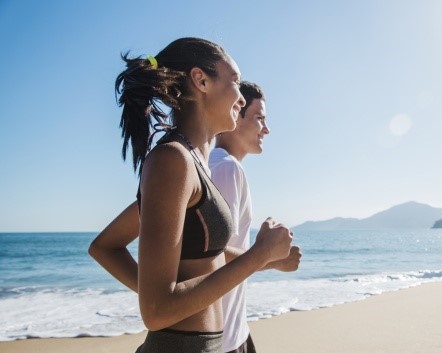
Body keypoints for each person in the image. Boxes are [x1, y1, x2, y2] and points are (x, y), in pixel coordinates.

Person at [89, 37, 293, 353]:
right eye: (235, 82)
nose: (240, 99)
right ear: (201, 80)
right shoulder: (173, 160)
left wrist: (269, 258)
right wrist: (259, 255)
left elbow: (107, 246)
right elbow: (156, 312)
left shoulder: (193, 164)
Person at [209, 81, 301, 353]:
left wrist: (269, 258)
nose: (266, 128)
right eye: (259, 118)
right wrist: (271, 258)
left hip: (234, 330)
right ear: (235, 115)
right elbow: (211, 257)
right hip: (223, 338)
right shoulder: (226, 169)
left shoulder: (217, 165)